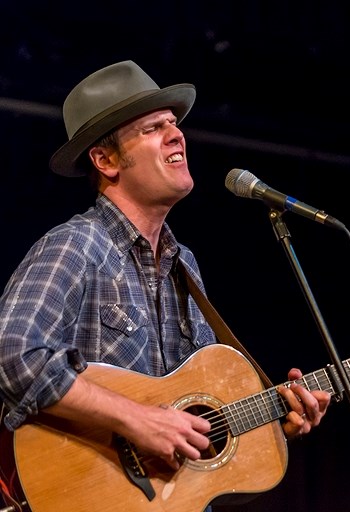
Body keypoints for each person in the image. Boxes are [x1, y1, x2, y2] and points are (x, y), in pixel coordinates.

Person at [0, 60, 330, 502]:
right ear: (106, 160)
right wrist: (136, 419)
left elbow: (199, 447)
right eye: (153, 128)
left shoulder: (184, 267)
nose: (177, 135)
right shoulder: (76, 246)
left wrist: (275, 426)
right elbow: (12, 354)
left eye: (174, 124)